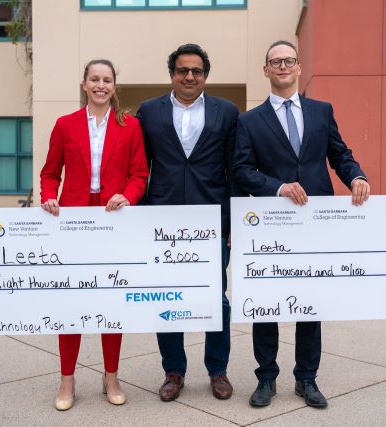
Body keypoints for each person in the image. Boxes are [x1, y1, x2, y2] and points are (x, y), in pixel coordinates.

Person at [233, 40, 370, 409]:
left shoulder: (322, 111)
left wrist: (356, 177)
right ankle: (266, 378)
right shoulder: (248, 121)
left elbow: (340, 154)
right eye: (275, 61)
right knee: (267, 304)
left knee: (311, 304)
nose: (282, 66)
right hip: (272, 224)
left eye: (288, 60)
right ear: (265, 70)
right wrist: (277, 187)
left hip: (316, 221)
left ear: (297, 67)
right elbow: (241, 170)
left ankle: (307, 379)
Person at [40, 59, 149, 410]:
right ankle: (67, 380)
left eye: (107, 80)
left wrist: (128, 196)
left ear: (114, 86)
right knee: (71, 302)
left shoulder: (130, 126)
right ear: (84, 84)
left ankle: (111, 376)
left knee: (110, 301)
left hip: (112, 219)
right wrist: (48, 198)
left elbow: (139, 174)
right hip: (72, 218)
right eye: (95, 79)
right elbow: (49, 173)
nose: (101, 85)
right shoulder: (65, 124)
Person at [136, 43, 239, 401]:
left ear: (205, 76)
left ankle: (218, 370)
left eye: (196, 71)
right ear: (172, 75)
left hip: (212, 221)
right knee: (168, 298)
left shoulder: (227, 112)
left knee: (217, 301)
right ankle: (174, 371)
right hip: (163, 222)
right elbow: (139, 166)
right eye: (183, 70)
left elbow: (234, 170)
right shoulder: (148, 112)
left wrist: (232, 223)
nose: (190, 76)